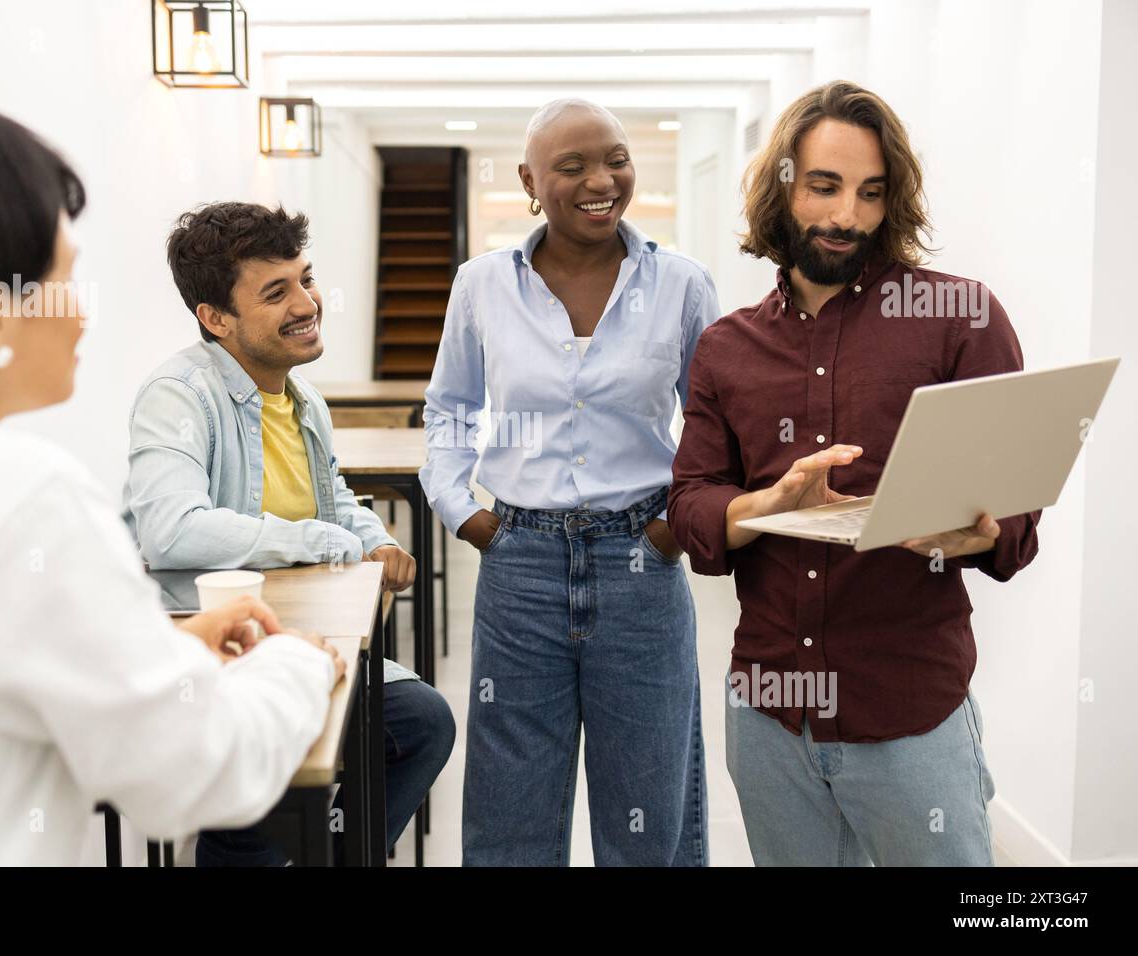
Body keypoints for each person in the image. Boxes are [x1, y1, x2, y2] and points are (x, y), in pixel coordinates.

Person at [0, 93, 344, 865]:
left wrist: (154, 651)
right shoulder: (20, 503)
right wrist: (301, 660)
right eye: (66, 282)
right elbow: (199, 767)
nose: (83, 317)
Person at [669, 81, 1039, 866]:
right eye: (824, 186)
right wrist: (767, 504)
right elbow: (691, 509)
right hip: (770, 715)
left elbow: (1016, 525)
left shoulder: (961, 320)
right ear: (782, 188)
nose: (846, 216)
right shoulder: (726, 349)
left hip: (911, 721)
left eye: (871, 193)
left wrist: (963, 535)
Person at [421, 98, 719, 866]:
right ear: (529, 180)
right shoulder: (482, 285)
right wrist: (468, 516)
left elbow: (716, 427)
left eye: (616, 158)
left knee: (649, 805)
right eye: (573, 165)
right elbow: (450, 412)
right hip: (520, 562)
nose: (602, 180)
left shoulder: (681, 284)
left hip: (641, 564)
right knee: (510, 808)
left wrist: (668, 529)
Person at [122, 202, 455, 864]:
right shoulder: (178, 395)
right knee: (267, 782)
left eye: (305, 279)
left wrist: (370, 535)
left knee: (422, 723)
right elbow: (170, 530)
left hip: (298, 635)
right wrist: (324, 541)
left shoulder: (302, 399)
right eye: (277, 292)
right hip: (209, 647)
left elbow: (329, 495)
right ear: (215, 318)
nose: (307, 302)